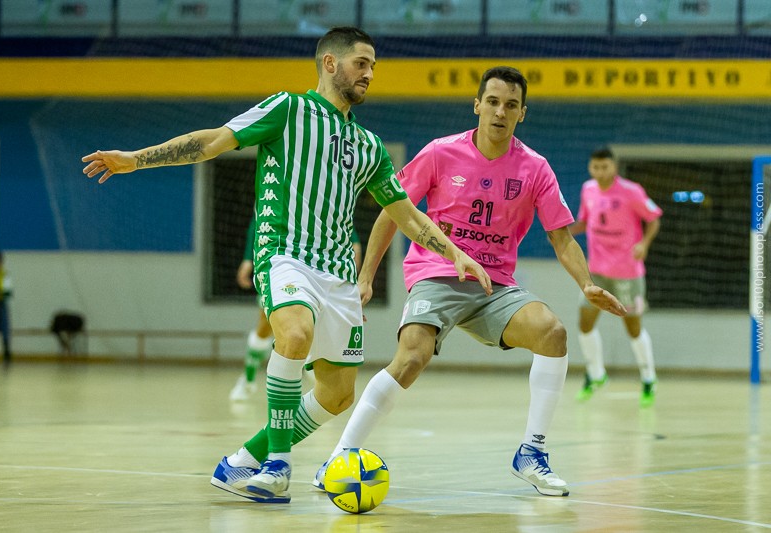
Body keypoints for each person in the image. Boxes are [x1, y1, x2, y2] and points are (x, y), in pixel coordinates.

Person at [82, 26, 491, 504]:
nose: (370, 74)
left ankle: (241, 461)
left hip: (337, 272)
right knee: (294, 334)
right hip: (283, 253)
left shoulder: (370, 147)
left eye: (374, 66)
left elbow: (404, 213)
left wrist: (455, 252)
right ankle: (277, 465)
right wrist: (136, 160)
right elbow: (212, 141)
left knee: (336, 395)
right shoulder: (288, 109)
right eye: (362, 63)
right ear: (330, 63)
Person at [314, 66, 627, 498]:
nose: (501, 111)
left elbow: (559, 236)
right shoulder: (442, 152)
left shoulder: (535, 168)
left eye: (511, 105)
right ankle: (340, 457)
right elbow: (391, 211)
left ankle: (532, 453)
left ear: (522, 114)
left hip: (493, 286)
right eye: (493, 102)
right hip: (436, 272)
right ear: (477, 105)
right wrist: (365, 277)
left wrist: (586, 284)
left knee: (553, 333)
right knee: (411, 359)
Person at [569, 147, 662, 407]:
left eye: (605, 167)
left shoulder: (631, 191)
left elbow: (654, 219)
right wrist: (563, 231)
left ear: (614, 167)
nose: (600, 172)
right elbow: (585, 221)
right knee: (584, 323)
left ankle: (648, 378)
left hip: (627, 274)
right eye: (595, 167)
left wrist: (644, 243)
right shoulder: (588, 189)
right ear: (590, 168)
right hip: (596, 271)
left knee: (632, 327)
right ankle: (596, 375)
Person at [229, 220, 363, 401]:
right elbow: (258, 223)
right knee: (265, 328)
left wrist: (350, 282)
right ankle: (249, 378)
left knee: (307, 335)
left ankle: (316, 394)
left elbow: (353, 241)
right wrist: (248, 259)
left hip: (320, 275)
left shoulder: (329, 203)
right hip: (284, 269)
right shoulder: (281, 198)